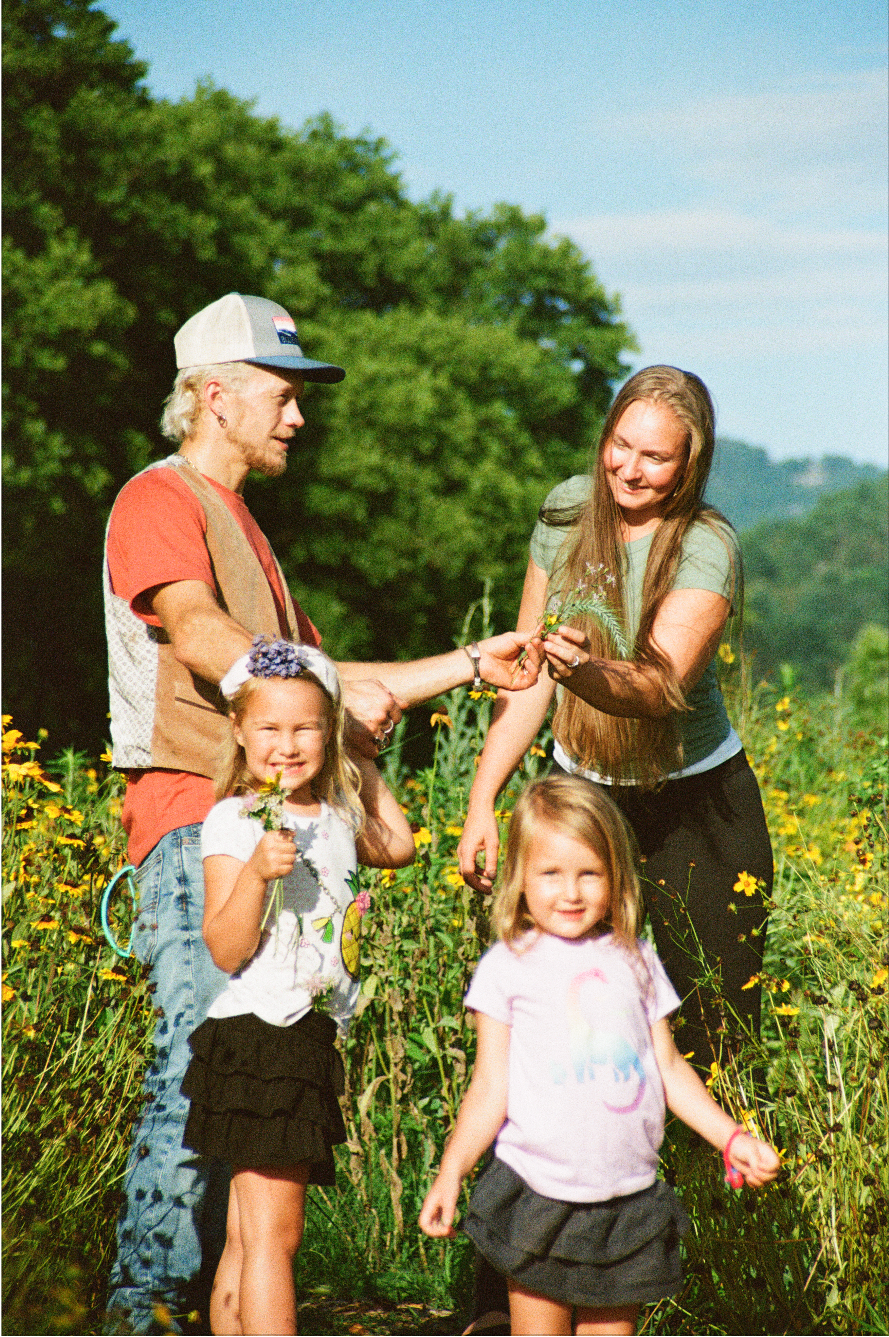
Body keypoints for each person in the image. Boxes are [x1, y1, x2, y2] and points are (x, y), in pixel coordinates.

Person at [103, 291, 543, 1333]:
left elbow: (330, 682)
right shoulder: (157, 498)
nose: (298, 416)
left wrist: (473, 663)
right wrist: (322, 683)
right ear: (214, 395)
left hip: (266, 833)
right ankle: (144, 1312)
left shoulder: (254, 534)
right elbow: (203, 633)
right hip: (191, 821)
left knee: (240, 1103)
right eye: (281, 394)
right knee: (192, 1078)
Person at [458, 366, 773, 1074]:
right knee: (562, 1004)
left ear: (688, 465)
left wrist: (583, 671)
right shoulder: (566, 511)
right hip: (580, 793)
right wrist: (482, 801)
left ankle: (712, 1178)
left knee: (718, 1031)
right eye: (619, 445)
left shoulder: (706, 545)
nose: (629, 469)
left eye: (655, 457)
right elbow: (525, 671)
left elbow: (657, 686)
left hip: (697, 802)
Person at [421, 776, 781, 1337]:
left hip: (628, 1203)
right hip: (539, 1196)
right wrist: (451, 1172)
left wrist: (731, 1138)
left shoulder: (636, 961)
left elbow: (669, 1070)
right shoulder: (508, 967)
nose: (571, 893)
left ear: (616, 877)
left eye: (589, 873)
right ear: (519, 878)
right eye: (551, 874)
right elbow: (490, 1087)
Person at [180, 637, 414, 1334]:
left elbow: (397, 845)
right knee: (276, 1239)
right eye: (270, 728)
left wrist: (362, 758)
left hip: (300, 1034)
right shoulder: (236, 819)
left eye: (307, 726)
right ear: (240, 732)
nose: (287, 744)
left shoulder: (337, 815)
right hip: (265, 1033)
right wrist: (255, 873)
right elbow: (224, 946)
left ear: (329, 730)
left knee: (251, 1234)